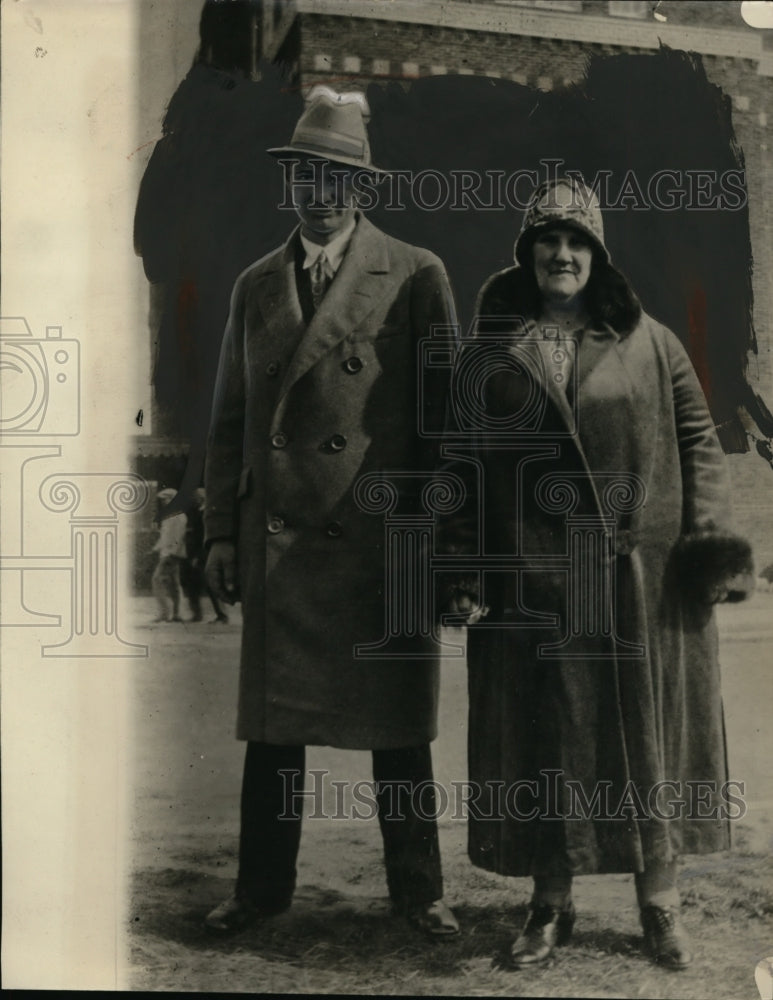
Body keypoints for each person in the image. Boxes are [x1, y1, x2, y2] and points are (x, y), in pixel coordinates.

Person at [440, 176, 754, 970]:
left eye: (577, 242)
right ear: (526, 254)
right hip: (538, 584)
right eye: (546, 239)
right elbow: (464, 467)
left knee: (649, 746)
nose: (561, 254)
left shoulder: (649, 342)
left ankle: (659, 908)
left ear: (597, 256)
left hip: (640, 584)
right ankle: (550, 905)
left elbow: (699, 443)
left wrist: (707, 542)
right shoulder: (494, 351)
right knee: (554, 744)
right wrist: (466, 567)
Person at [203, 92, 459, 937]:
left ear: (361, 183)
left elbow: (444, 425)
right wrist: (216, 533)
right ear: (291, 182)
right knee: (273, 735)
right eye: (307, 173)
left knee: (395, 733)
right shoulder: (253, 286)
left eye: (338, 174)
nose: (321, 189)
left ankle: (420, 895)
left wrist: (446, 550)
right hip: (279, 541)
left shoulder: (416, 272)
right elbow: (231, 423)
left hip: (382, 542)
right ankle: (260, 892)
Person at [180, 489, 229, 624]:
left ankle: (222, 615)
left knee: (211, 585)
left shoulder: (207, 514)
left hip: (202, 555)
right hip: (193, 555)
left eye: (197, 497)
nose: (195, 499)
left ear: (202, 498)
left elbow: (204, 538)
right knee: (193, 585)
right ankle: (198, 614)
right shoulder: (197, 513)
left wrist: (198, 556)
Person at [151, 487, 188, 623]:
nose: (164, 502)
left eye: (166, 499)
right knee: (173, 584)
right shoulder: (172, 515)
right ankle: (176, 614)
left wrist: (170, 554)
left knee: (157, 580)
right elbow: (165, 537)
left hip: (170, 555)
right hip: (168, 553)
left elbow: (177, 537)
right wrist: (156, 549)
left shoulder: (177, 516)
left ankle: (164, 613)